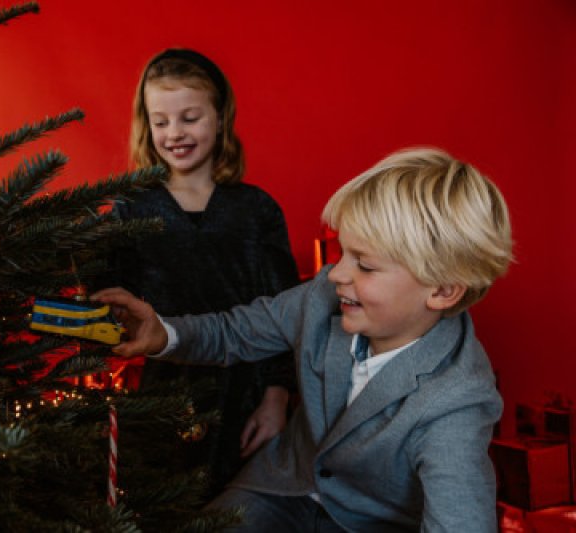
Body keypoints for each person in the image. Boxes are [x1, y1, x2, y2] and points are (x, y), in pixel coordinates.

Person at [93, 147, 513, 532]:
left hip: (368, 522)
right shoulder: (323, 298)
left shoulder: (458, 399)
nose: (335, 275)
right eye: (340, 253)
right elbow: (235, 331)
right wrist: (162, 333)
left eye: (364, 265)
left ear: (441, 290)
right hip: (282, 483)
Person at [103, 48, 300, 494]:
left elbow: (288, 313)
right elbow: (110, 306)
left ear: (220, 116)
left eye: (190, 117)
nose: (175, 133)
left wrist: (277, 397)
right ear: (146, 124)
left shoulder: (256, 210)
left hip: (246, 395)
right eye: (161, 121)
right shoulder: (130, 209)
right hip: (161, 395)